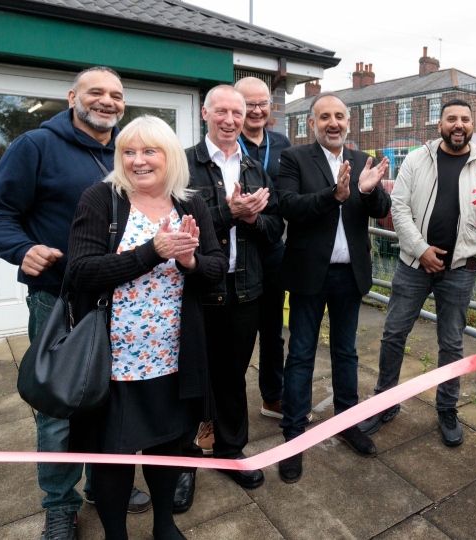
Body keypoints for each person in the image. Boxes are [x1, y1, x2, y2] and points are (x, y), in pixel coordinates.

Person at [0, 66, 150, 540]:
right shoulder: (35, 146)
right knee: (59, 407)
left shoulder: (127, 153)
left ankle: (102, 484)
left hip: (122, 300)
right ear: (73, 96)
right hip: (60, 300)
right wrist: (21, 248)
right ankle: (59, 503)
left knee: (110, 400)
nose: (107, 101)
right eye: (96, 92)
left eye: (116, 94)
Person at [67, 116, 228, 540]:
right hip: (114, 362)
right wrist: (152, 252)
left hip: (174, 356)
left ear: (169, 155)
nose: (138, 161)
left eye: (149, 151)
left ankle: (164, 523)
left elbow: (216, 268)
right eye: (128, 152)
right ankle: (115, 533)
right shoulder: (102, 199)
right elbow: (81, 271)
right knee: (113, 455)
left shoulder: (189, 203)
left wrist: (190, 261)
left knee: (167, 445)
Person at [357, 98, 476, 445]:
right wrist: (420, 250)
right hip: (413, 266)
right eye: (451, 118)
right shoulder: (418, 159)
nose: (458, 124)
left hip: (460, 271)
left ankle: (447, 408)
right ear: (440, 125)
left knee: (451, 344)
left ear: (471, 126)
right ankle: (383, 402)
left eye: (465, 119)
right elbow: (399, 208)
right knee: (393, 334)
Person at [173, 85, 281, 509]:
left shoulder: (254, 168)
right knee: (189, 379)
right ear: (205, 113)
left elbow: (275, 232)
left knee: (233, 377)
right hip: (196, 290)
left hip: (246, 289)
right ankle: (183, 461)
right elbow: (174, 227)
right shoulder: (181, 165)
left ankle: (230, 451)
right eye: (223, 111)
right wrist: (228, 215)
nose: (232, 120)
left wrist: (253, 219)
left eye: (238, 113)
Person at [274, 92, 391, 483]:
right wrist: (334, 195)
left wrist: (370, 190)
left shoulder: (360, 161)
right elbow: (288, 205)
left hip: (348, 274)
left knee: (346, 352)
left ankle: (347, 422)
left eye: (339, 116)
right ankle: (293, 435)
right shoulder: (293, 159)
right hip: (309, 273)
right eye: (324, 117)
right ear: (312, 124)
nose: (333, 123)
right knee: (302, 354)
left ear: (348, 122)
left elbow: (378, 210)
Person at [235, 76, 291, 421]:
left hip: (272, 250)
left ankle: (273, 397)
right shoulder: (225, 144)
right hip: (235, 254)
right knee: (233, 338)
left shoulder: (283, 144)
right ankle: (222, 412)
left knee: (273, 332)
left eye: (262, 104)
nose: (256, 111)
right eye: (248, 104)